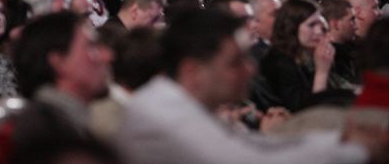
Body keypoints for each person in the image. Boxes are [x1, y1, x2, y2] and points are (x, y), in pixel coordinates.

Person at [118, 9, 374, 164]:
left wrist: (341, 140)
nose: (250, 69)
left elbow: (254, 145)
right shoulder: (165, 113)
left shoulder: (181, 102)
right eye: (235, 62)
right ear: (191, 71)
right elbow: (251, 160)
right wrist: (359, 149)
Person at [259, 0, 338, 112]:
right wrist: (322, 72)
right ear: (292, 27)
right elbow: (305, 112)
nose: (318, 31)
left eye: (320, 25)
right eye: (311, 25)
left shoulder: (306, 54)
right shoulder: (279, 61)